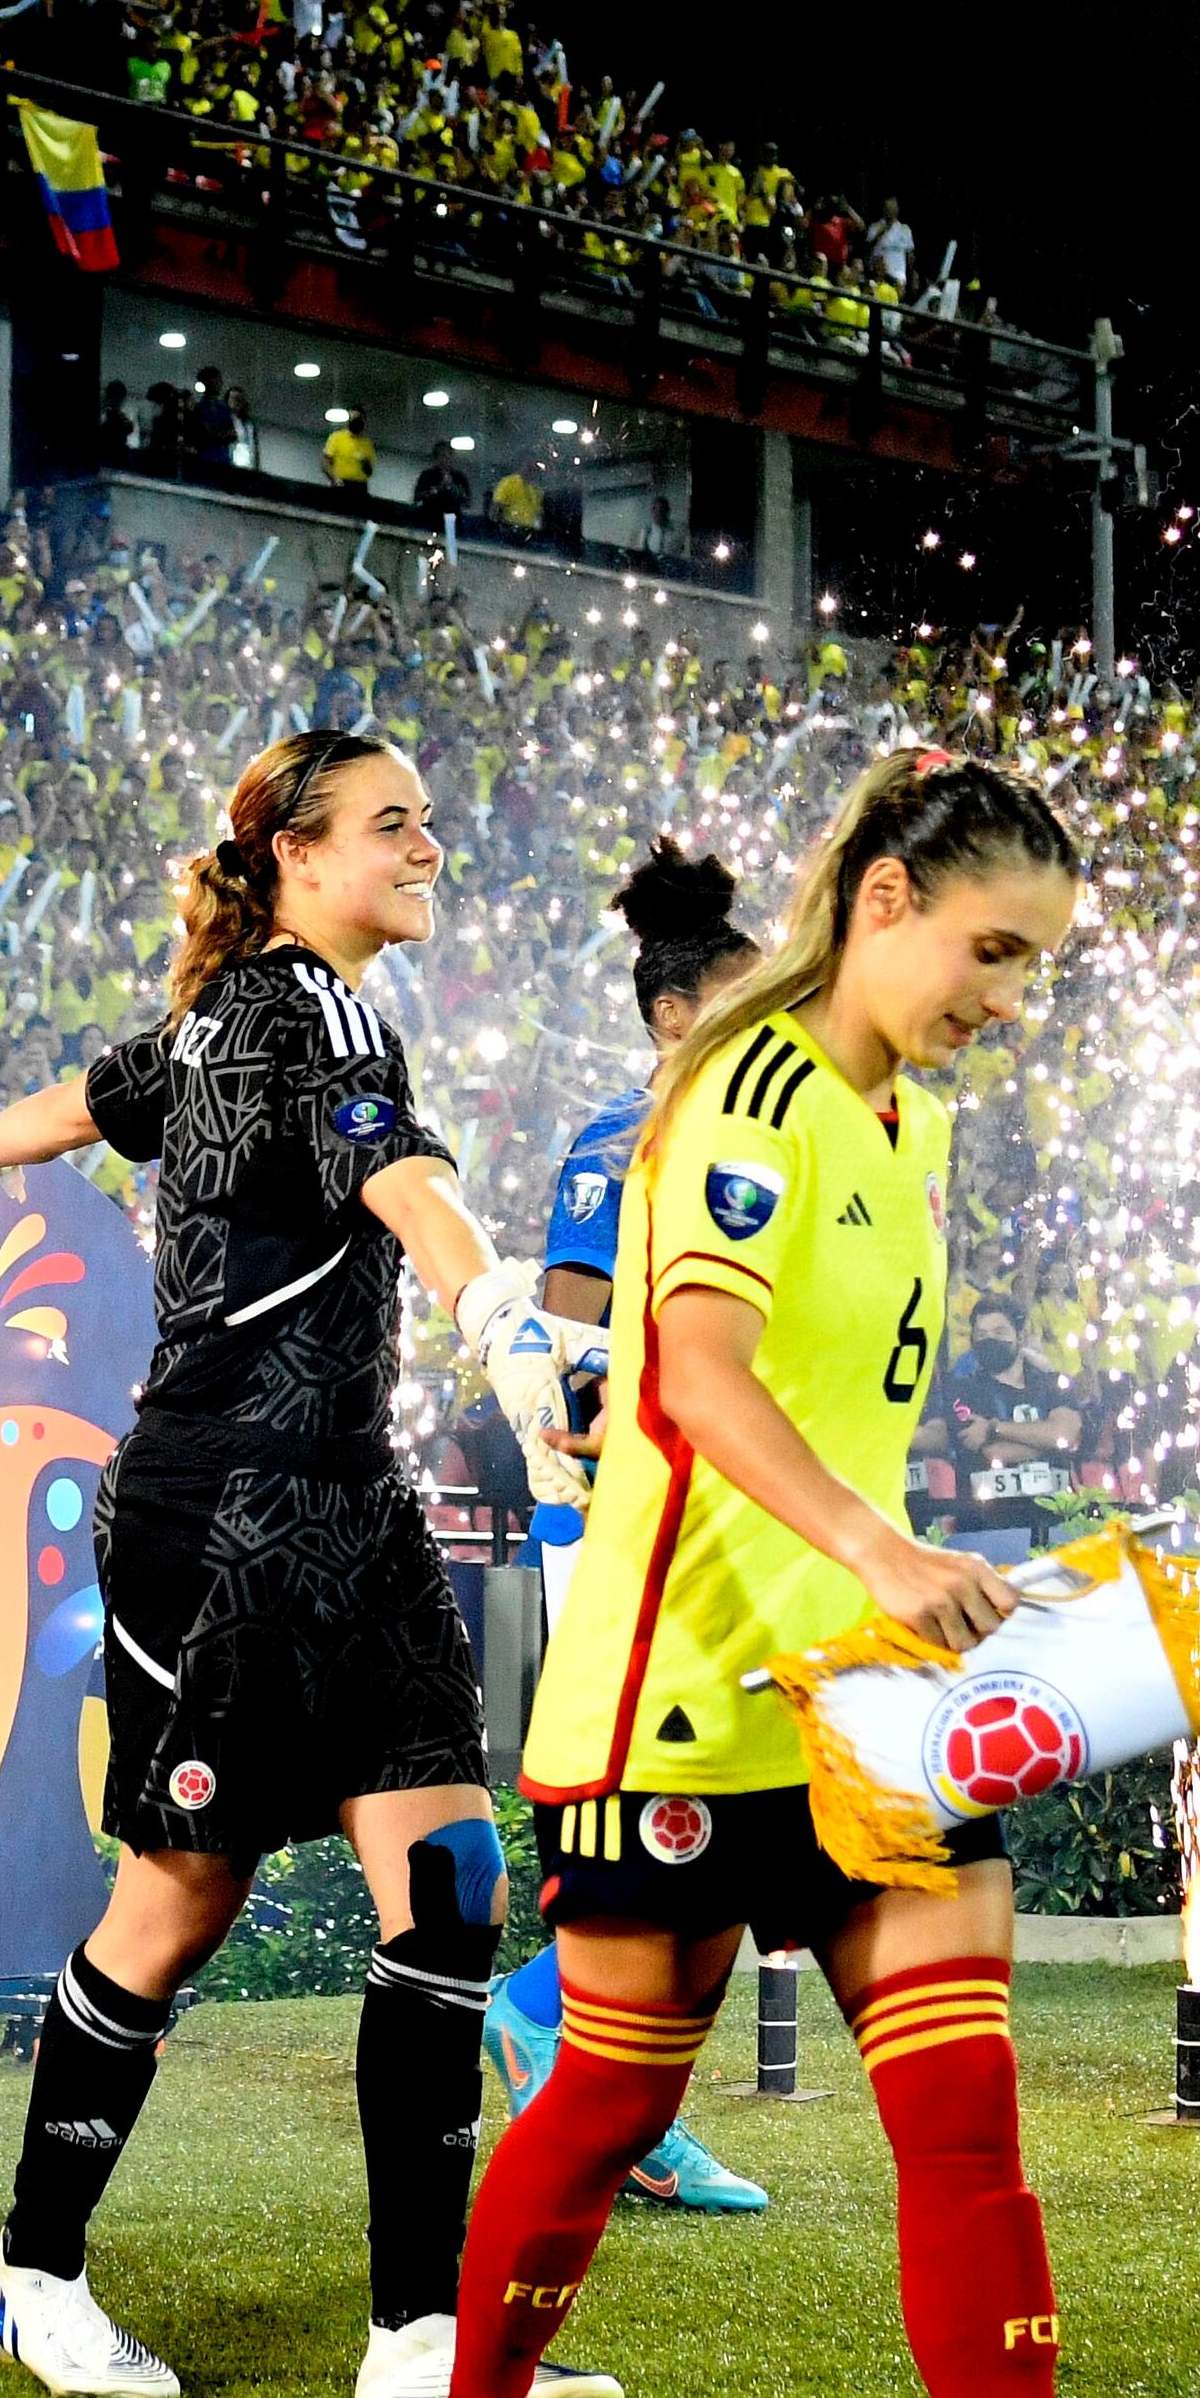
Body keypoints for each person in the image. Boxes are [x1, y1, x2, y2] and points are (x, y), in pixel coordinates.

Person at [411, 746, 1200, 2398]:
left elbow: (831, 1400)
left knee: (965, 2115)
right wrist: (877, 1547)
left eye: (1036, 964)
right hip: (682, 1694)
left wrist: (942, 1576)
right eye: (992, 949)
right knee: (612, 2094)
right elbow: (689, 1374)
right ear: (880, 903)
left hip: (868, 1705)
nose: (1009, 997)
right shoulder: (743, 1087)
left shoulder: (907, 1117)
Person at [0, 728, 613, 2398]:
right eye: (393, 822)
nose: (429, 844)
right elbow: (400, 1169)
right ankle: (33, 2273)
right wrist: (501, 1317)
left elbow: (88, 1102)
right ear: (295, 852)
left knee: (450, 1884)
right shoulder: (318, 1011)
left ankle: (419, 2338)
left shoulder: (218, 1017)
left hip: (347, 1497)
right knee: (179, 1903)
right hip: (227, 1512)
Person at [483, 834, 769, 2216]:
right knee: (674, 1815)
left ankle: (606, 2072)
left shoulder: (746, 1139)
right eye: (741, 1004)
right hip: (611, 1512)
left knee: (715, 1819)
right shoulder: (622, 1136)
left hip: (704, 1508)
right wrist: (588, 1463)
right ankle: (557, 2025)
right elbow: (565, 1333)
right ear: (673, 1015)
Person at [928, 1290, 1081, 1541]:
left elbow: (1065, 1434)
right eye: (982, 1334)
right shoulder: (962, 1390)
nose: (990, 1340)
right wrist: (1050, 1442)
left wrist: (993, 1427)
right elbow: (993, 1452)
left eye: (999, 1332)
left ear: (1020, 1336)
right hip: (989, 1532)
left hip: (1058, 1528)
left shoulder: (1053, 1383)